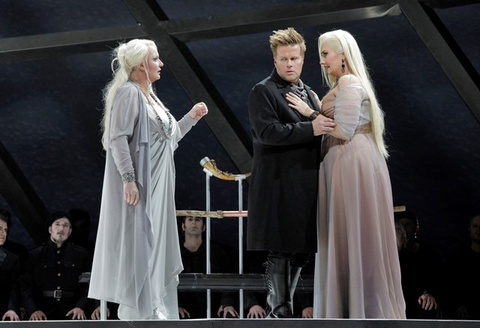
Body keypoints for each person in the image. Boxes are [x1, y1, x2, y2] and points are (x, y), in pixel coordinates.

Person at [286, 29, 405, 318]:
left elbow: (343, 129)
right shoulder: (345, 84)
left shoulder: (350, 82)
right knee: (353, 232)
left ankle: (359, 307)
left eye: (326, 54)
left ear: (343, 55)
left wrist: (309, 113)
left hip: (351, 161)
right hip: (348, 161)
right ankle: (354, 304)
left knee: (354, 230)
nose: (323, 61)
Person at [88, 39, 208, 320]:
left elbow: (168, 139)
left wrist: (191, 117)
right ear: (141, 64)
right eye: (156, 59)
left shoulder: (150, 95)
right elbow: (118, 138)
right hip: (141, 183)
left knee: (154, 241)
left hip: (159, 183)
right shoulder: (128, 93)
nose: (161, 63)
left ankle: (151, 303)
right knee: (140, 240)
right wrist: (129, 179)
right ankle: (137, 307)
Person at [247, 27, 336, 318]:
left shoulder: (308, 92)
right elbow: (267, 133)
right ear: (275, 60)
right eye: (284, 58)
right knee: (282, 248)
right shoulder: (263, 90)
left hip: (306, 182)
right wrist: (311, 127)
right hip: (279, 182)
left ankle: (283, 309)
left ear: (302, 59)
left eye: (294, 58)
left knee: (301, 249)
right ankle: (279, 310)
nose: (289, 64)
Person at [20, 211, 91, 320]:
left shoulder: (81, 255)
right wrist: (33, 309)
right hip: (42, 313)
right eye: (57, 224)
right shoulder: (35, 255)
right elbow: (26, 286)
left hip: (72, 312)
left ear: (70, 231)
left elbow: (87, 284)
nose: (61, 228)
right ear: (50, 229)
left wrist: (80, 306)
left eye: (65, 225)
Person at [177, 215, 239, 319]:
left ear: (204, 227)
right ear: (183, 226)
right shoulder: (175, 254)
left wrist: (226, 303)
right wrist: (176, 305)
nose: (193, 223)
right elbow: (168, 282)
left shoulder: (216, 252)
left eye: (197, 219)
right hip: (185, 310)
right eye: (190, 219)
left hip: (214, 309)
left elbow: (228, 278)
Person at [395, 211, 442, 319]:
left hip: (414, 301)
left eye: (408, 225)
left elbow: (430, 281)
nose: (404, 229)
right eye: (400, 227)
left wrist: (427, 294)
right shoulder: (387, 258)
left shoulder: (424, 256)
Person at [444, 214, 480, 319]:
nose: (478, 229)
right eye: (475, 226)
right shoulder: (459, 258)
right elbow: (451, 285)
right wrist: (459, 305)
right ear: (469, 229)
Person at [0, 210, 21, 321]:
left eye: (5, 230)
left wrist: (12, 309)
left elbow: (14, 288)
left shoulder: (12, 259)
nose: (3, 233)